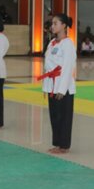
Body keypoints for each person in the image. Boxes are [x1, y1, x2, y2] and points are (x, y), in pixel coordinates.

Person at [40, 13, 77, 154]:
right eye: (52, 23)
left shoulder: (68, 44)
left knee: (64, 116)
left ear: (64, 26)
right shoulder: (51, 43)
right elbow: (48, 66)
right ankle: (57, 143)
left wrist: (62, 89)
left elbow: (68, 68)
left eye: (56, 23)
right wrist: (46, 86)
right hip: (51, 83)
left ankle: (64, 145)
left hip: (63, 85)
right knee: (54, 115)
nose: (52, 26)